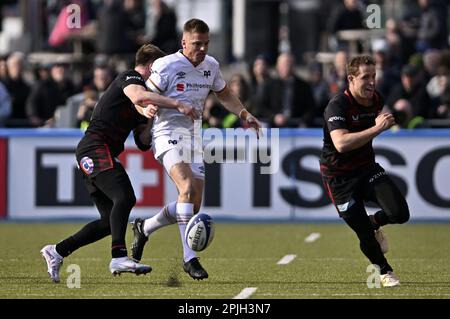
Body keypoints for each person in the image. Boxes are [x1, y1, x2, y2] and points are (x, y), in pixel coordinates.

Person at [40, 44, 199, 283]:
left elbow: (143, 142)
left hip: (99, 152)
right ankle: (118, 256)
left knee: (108, 222)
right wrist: (176, 104)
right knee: (125, 198)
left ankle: (57, 251)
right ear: (151, 66)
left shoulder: (143, 99)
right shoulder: (130, 77)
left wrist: (152, 121)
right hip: (94, 147)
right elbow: (137, 95)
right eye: (160, 70)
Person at [131, 18, 261, 280]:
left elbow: (224, 94)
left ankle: (144, 228)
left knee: (193, 204)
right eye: (196, 44)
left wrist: (243, 113)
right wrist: (145, 110)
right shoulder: (166, 65)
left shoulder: (211, 66)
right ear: (184, 42)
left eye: (205, 44)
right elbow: (140, 96)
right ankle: (189, 258)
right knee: (187, 188)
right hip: (166, 133)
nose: (201, 49)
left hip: (193, 137)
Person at [319, 55, 410, 288]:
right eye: (365, 77)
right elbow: (341, 144)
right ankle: (384, 271)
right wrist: (377, 129)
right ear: (351, 78)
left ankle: (374, 221)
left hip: (367, 169)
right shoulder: (337, 105)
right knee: (363, 234)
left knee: (400, 213)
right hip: (339, 178)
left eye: (374, 76)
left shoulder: (376, 99)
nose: (372, 82)